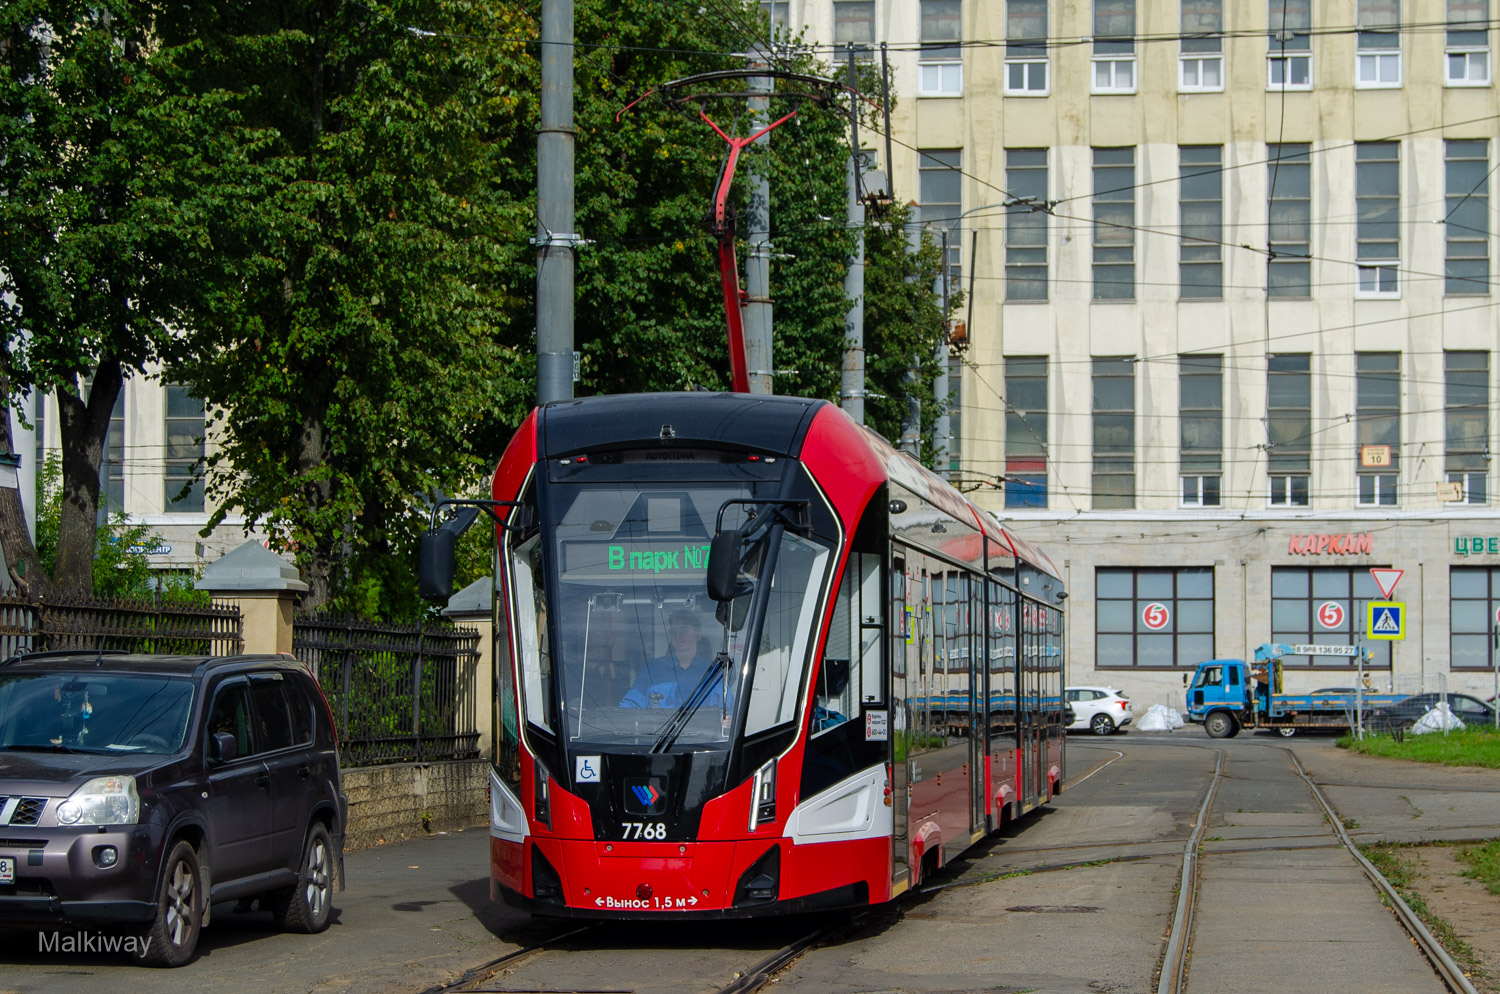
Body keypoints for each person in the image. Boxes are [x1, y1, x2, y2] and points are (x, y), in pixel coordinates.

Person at [619, 610, 724, 709]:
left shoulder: (713, 671)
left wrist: (727, 720)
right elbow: (630, 705)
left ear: (698, 635)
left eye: (683, 630)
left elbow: (727, 711)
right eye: (673, 631)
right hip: (662, 729)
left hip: (703, 728)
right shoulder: (653, 670)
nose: (678, 635)